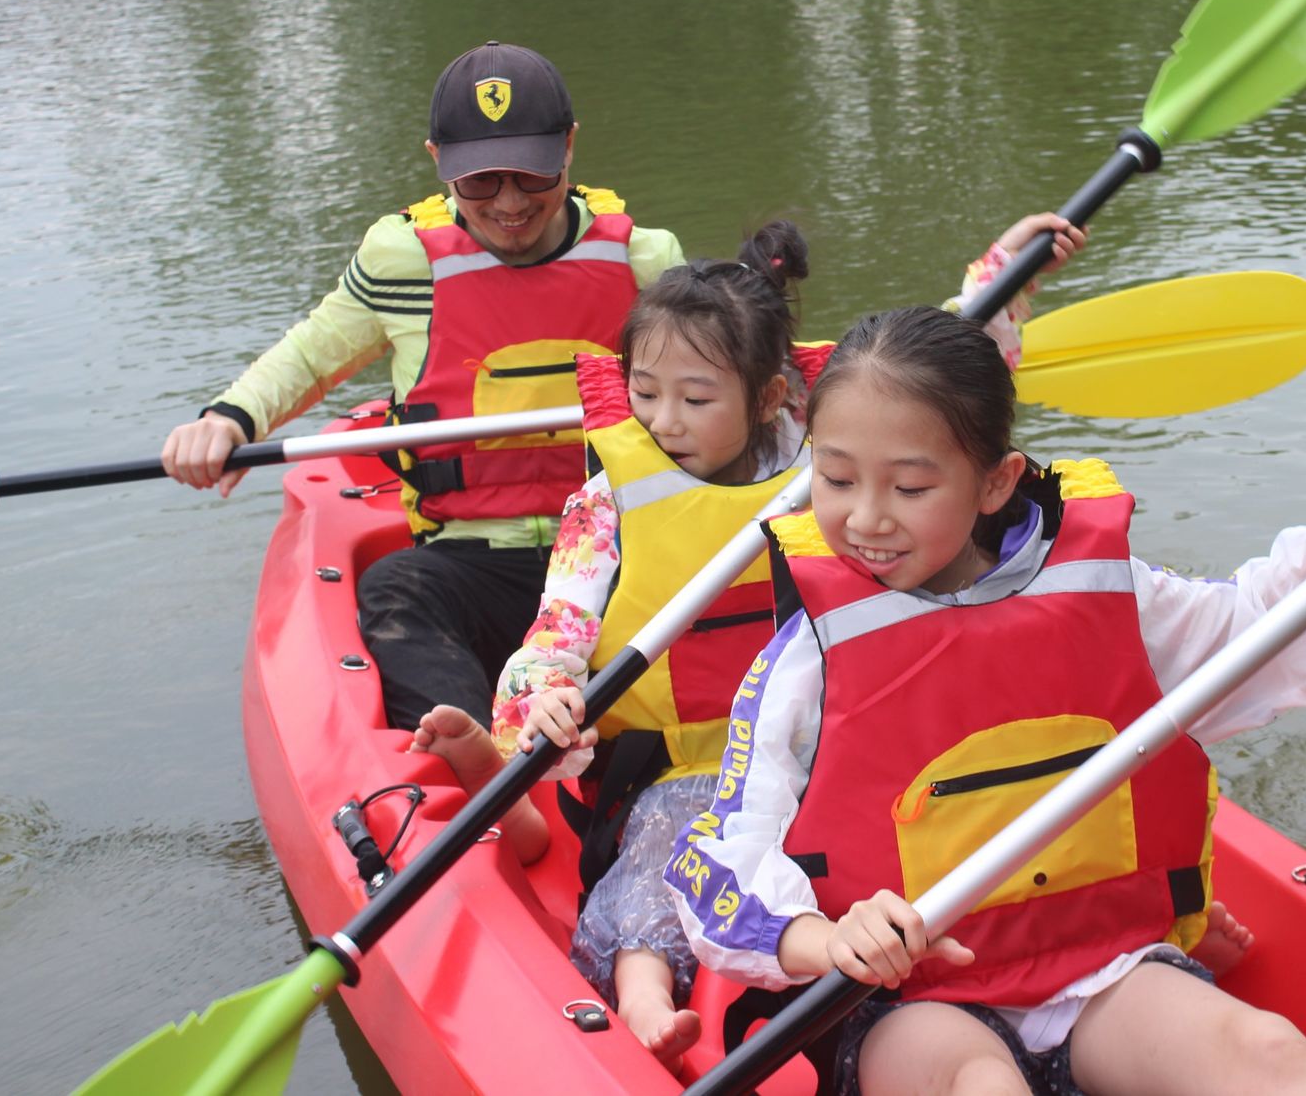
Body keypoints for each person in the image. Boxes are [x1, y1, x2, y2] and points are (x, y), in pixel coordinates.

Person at [665, 304, 1306, 1096]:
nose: (866, 518)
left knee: (1264, 1049)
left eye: (911, 489)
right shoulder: (806, 652)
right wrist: (825, 937)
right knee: (981, 1084)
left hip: (1096, 969)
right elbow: (716, 860)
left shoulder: (1103, 590)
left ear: (997, 482)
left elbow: (1253, 629)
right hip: (914, 1001)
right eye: (837, 479)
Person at [406, 214, 1087, 1070]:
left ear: (769, 396)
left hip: (848, 732)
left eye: (695, 398)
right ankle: (645, 993)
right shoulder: (606, 501)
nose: (663, 420)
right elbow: (555, 634)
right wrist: (541, 698)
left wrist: (1006, 267)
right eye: (644, 390)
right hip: (699, 762)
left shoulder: (828, 461)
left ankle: (1106, 941)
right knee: (676, 842)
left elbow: (944, 370)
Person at [160, 42, 685, 730]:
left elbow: (723, 384)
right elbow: (313, 356)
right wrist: (229, 419)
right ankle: (476, 758)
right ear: (438, 160)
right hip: (471, 562)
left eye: (531, 175)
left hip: (613, 551)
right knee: (396, 590)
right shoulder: (400, 260)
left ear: (570, 148)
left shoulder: (645, 261)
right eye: (479, 181)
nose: (508, 203)